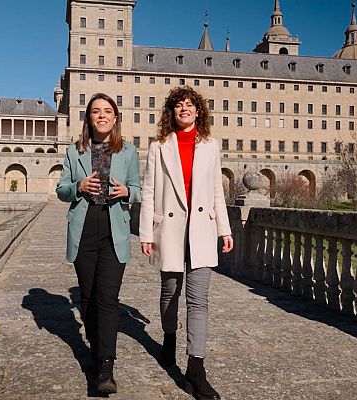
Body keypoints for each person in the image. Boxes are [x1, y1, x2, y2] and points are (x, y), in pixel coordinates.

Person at [139, 86, 233, 400]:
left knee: (199, 300)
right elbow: (149, 190)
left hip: (202, 229)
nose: (184, 109)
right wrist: (147, 233)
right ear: (171, 112)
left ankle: (196, 367)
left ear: (198, 111)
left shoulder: (210, 145)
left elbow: (217, 190)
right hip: (171, 229)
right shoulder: (158, 146)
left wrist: (225, 229)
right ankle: (169, 337)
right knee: (170, 292)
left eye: (190, 104)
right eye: (178, 105)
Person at [56, 93, 141, 394]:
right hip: (84, 227)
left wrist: (126, 193)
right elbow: (61, 190)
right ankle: (96, 348)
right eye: (96, 111)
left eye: (107, 111)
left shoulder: (128, 152)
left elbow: (139, 189)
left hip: (113, 228)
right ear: (89, 118)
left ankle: (106, 364)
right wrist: (78, 186)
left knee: (108, 298)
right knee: (88, 298)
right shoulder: (74, 151)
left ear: (116, 118)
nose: (102, 116)